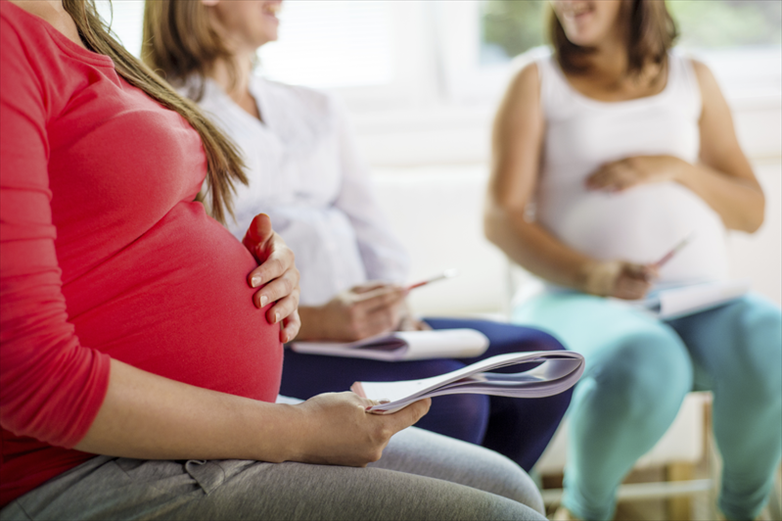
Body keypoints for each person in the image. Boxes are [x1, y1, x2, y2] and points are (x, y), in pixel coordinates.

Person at [0, 1, 550, 519]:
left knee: (511, 484)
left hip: (204, 420)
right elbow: (27, 379)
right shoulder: (10, 36)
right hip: (80, 463)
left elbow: (110, 225)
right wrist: (299, 430)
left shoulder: (78, 26)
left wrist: (259, 267)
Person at [141, 0, 572, 473]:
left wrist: (394, 304)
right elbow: (192, 279)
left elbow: (371, 228)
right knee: (454, 403)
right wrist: (321, 319)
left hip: (368, 333)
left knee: (540, 358)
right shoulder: (164, 118)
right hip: (283, 344)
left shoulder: (313, 105)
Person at [484, 0, 782, 519]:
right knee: (647, 358)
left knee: (773, 338)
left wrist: (674, 167)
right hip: (570, 297)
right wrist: (593, 274)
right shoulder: (536, 79)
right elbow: (501, 219)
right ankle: (582, 511)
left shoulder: (694, 77)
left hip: (698, 299)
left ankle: (744, 511)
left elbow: (751, 212)